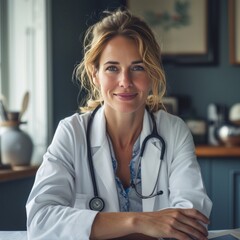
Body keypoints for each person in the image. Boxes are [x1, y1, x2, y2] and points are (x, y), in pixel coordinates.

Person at [26, 8, 212, 240]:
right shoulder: (72, 133)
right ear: (95, 74)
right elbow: (40, 220)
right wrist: (139, 221)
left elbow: (191, 222)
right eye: (112, 68)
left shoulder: (173, 131)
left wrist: (97, 228)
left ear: (152, 73)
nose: (125, 81)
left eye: (138, 67)